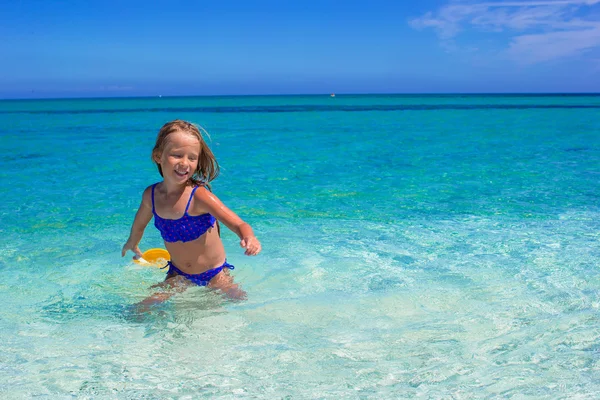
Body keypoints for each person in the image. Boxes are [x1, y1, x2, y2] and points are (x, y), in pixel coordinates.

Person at [122, 120, 261, 302]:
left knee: (241, 302)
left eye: (192, 158)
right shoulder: (152, 196)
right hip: (178, 274)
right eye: (177, 155)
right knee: (145, 306)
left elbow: (238, 223)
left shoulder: (199, 197)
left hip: (215, 275)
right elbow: (139, 225)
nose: (185, 163)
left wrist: (249, 237)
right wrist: (132, 243)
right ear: (158, 156)